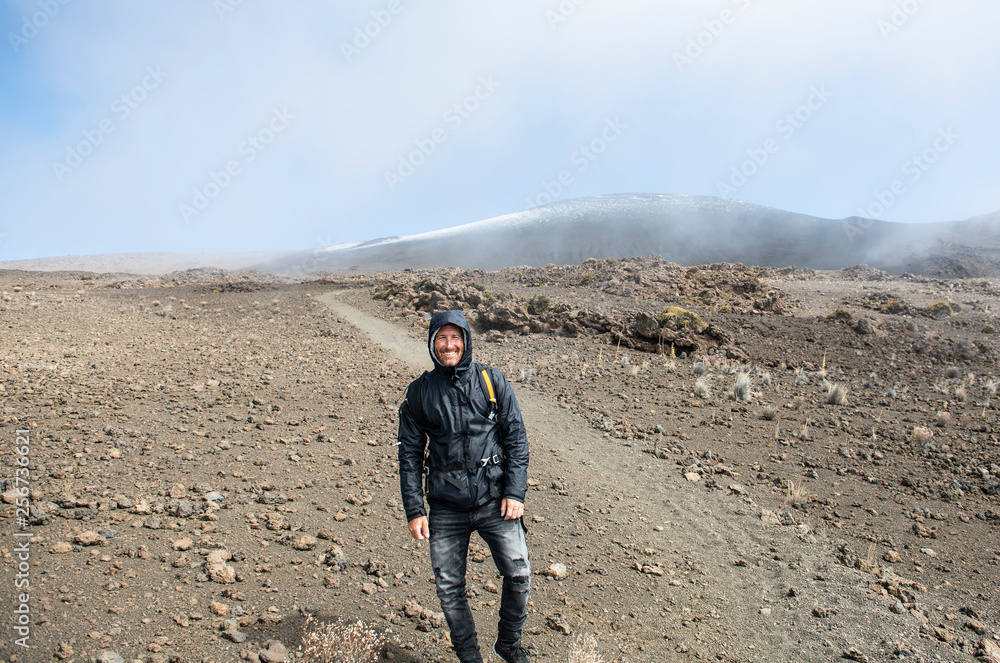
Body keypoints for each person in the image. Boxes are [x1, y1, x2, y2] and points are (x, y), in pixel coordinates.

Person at [398, 310, 532, 663]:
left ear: (466, 340)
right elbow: (410, 456)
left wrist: (515, 492)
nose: (448, 345)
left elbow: (516, 439)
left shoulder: (492, 381)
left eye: (455, 337)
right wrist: (415, 510)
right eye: (441, 338)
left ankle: (508, 645)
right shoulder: (420, 393)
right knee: (449, 590)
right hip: (445, 506)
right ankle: (470, 657)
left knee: (518, 574)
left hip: (494, 500)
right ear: (432, 343)